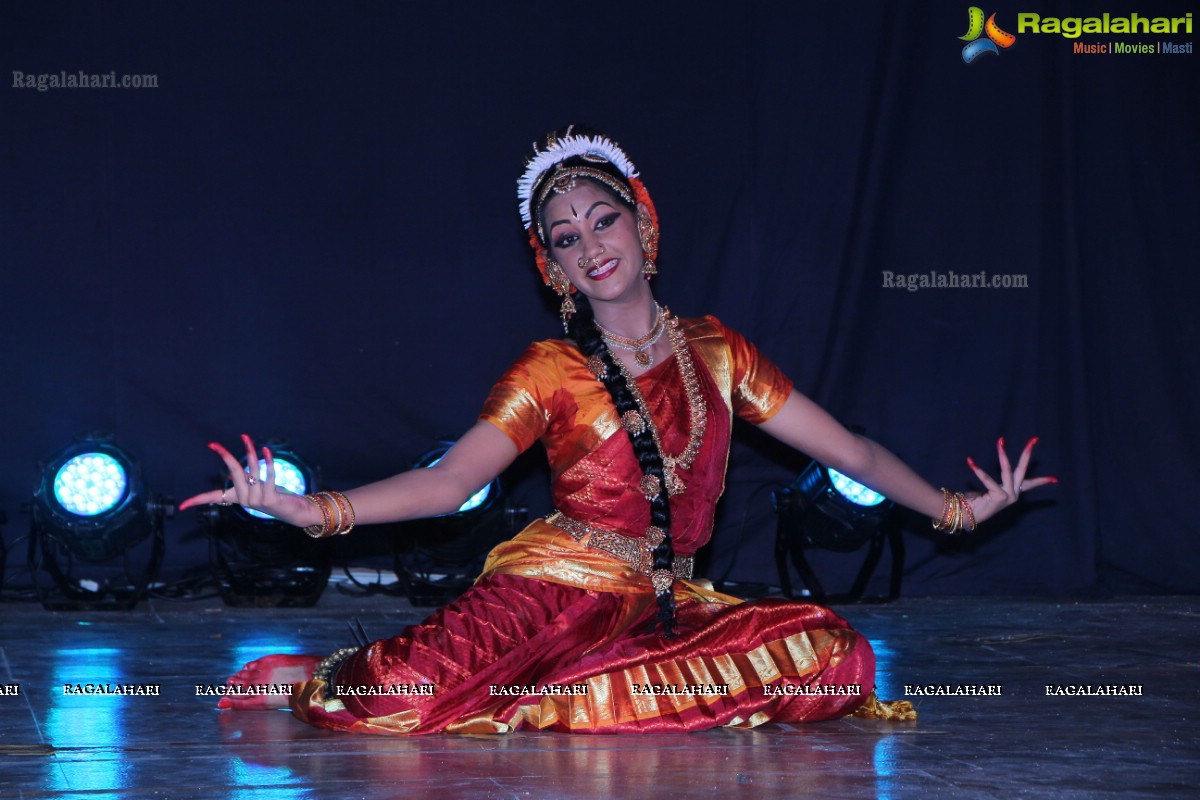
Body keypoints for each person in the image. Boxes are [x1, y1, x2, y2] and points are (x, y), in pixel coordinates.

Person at [179, 126, 1054, 735]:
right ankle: (328, 673)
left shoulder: (719, 353)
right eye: (565, 238)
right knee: (382, 707)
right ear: (553, 267)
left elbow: (850, 453)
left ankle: (549, 697)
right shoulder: (549, 371)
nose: (590, 245)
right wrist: (307, 512)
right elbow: (452, 482)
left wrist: (956, 512)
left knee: (832, 656)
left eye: (603, 221)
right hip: (550, 590)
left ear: (641, 222)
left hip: (656, 608)